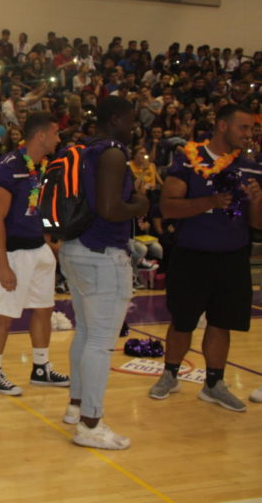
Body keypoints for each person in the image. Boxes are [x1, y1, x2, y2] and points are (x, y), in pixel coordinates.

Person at [149, 104, 262, 412]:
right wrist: (210, 201)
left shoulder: (251, 167)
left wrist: (256, 201)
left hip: (233, 257)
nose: (249, 134)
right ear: (222, 127)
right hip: (192, 255)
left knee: (222, 322)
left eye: (251, 129)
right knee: (182, 321)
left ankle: (214, 383)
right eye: (244, 127)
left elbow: (257, 224)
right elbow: (168, 207)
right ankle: (170, 374)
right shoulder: (186, 161)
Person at [58, 96, 149, 449]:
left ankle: (76, 406)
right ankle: (90, 425)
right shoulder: (112, 152)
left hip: (76, 249)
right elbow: (111, 209)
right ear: (114, 120)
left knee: (85, 334)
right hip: (102, 255)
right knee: (99, 343)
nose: (133, 126)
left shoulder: (84, 150)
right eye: (129, 119)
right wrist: (141, 204)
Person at [0, 111, 70, 395]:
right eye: (56, 133)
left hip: (38, 248)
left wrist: (49, 243)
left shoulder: (45, 166)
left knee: (44, 309)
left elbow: (38, 209)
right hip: (13, 253)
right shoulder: (7, 167)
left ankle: (41, 368)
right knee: (4, 315)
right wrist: (3, 265)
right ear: (41, 136)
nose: (59, 139)